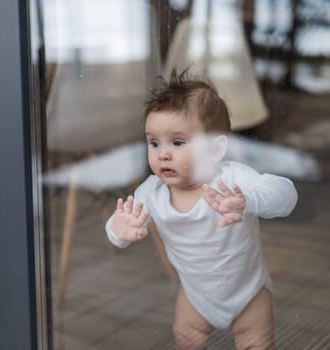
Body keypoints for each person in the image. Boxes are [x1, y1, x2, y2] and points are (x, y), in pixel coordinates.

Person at [105, 69, 298, 350]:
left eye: (178, 142)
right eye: (154, 142)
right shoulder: (152, 191)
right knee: (187, 336)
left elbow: (286, 194)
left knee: (257, 343)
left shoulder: (232, 179)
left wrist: (249, 201)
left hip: (248, 293)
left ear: (216, 150)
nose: (163, 153)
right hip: (196, 296)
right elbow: (115, 227)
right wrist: (119, 229)